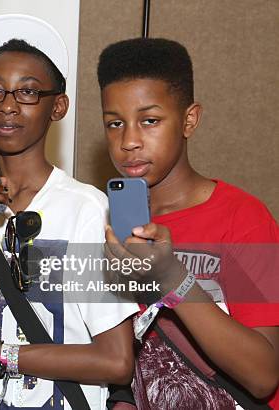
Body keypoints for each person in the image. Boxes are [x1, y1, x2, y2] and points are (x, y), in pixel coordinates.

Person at [0, 14, 139, 409]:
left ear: (57, 106)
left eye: (28, 93)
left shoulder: (84, 209)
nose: (8, 106)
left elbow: (116, 361)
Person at [98, 38, 279, 409]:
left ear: (189, 119)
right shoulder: (111, 225)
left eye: (149, 120)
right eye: (115, 123)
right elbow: (122, 353)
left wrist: (171, 278)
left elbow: (263, 376)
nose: (129, 140)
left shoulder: (242, 219)